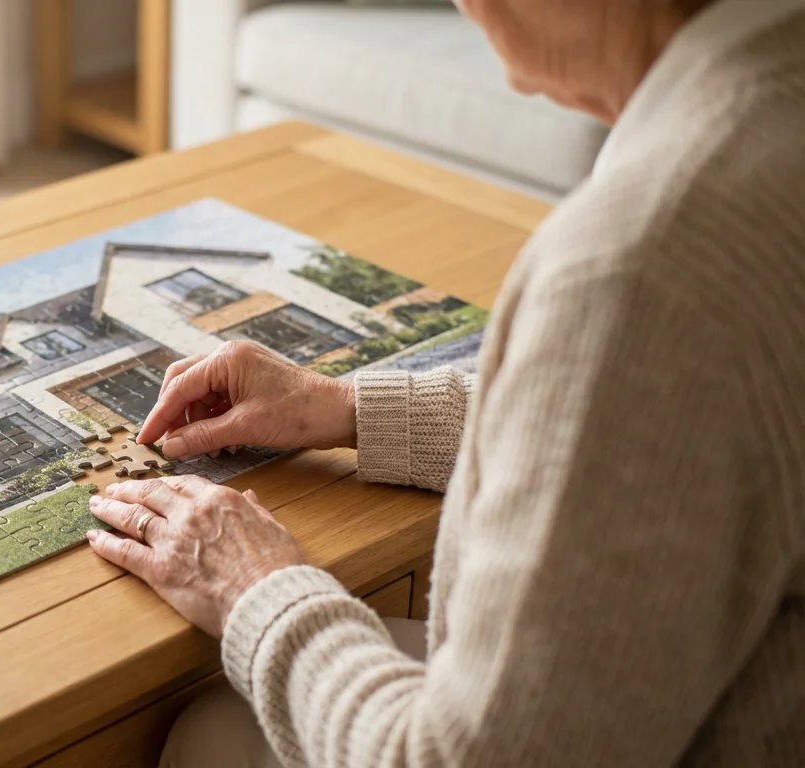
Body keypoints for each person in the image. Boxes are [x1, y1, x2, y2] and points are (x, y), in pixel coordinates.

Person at [82, 1, 805, 765]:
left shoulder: (640, 264)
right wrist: (347, 408)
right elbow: (675, 435)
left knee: (214, 733)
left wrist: (252, 588)